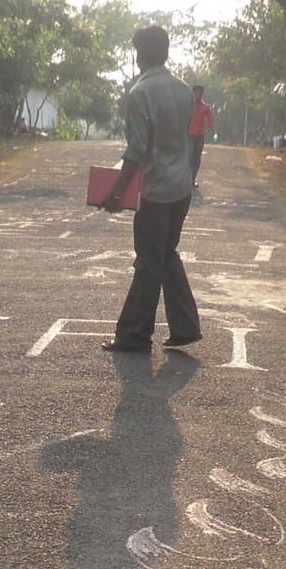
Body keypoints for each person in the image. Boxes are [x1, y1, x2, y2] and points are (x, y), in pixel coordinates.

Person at [100, 25, 200, 352]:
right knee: (166, 254)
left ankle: (133, 334)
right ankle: (184, 327)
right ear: (167, 52)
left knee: (148, 260)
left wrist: (116, 192)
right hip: (182, 186)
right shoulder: (185, 90)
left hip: (156, 191)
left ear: (138, 54)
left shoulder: (139, 93)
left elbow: (137, 150)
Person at [188, 85, 217, 187]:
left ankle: (192, 180)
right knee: (189, 158)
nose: (198, 95)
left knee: (196, 159)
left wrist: (214, 131)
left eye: (200, 93)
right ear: (193, 93)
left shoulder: (205, 107)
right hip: (189, 136)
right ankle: (186, 180)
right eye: (197, 92)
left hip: (199, 136)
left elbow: (210, 120)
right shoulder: (188, 105)